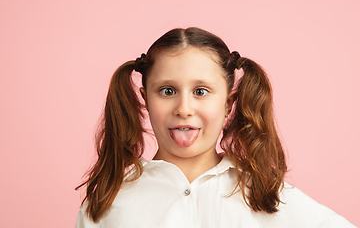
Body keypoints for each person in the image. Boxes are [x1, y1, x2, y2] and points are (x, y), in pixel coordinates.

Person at [75, 27, 355, 227]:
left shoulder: (265, 194)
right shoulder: (108, 203)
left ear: (228, 103)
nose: (184, 109)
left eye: (201, 91)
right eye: (168, 91)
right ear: (145, 98)